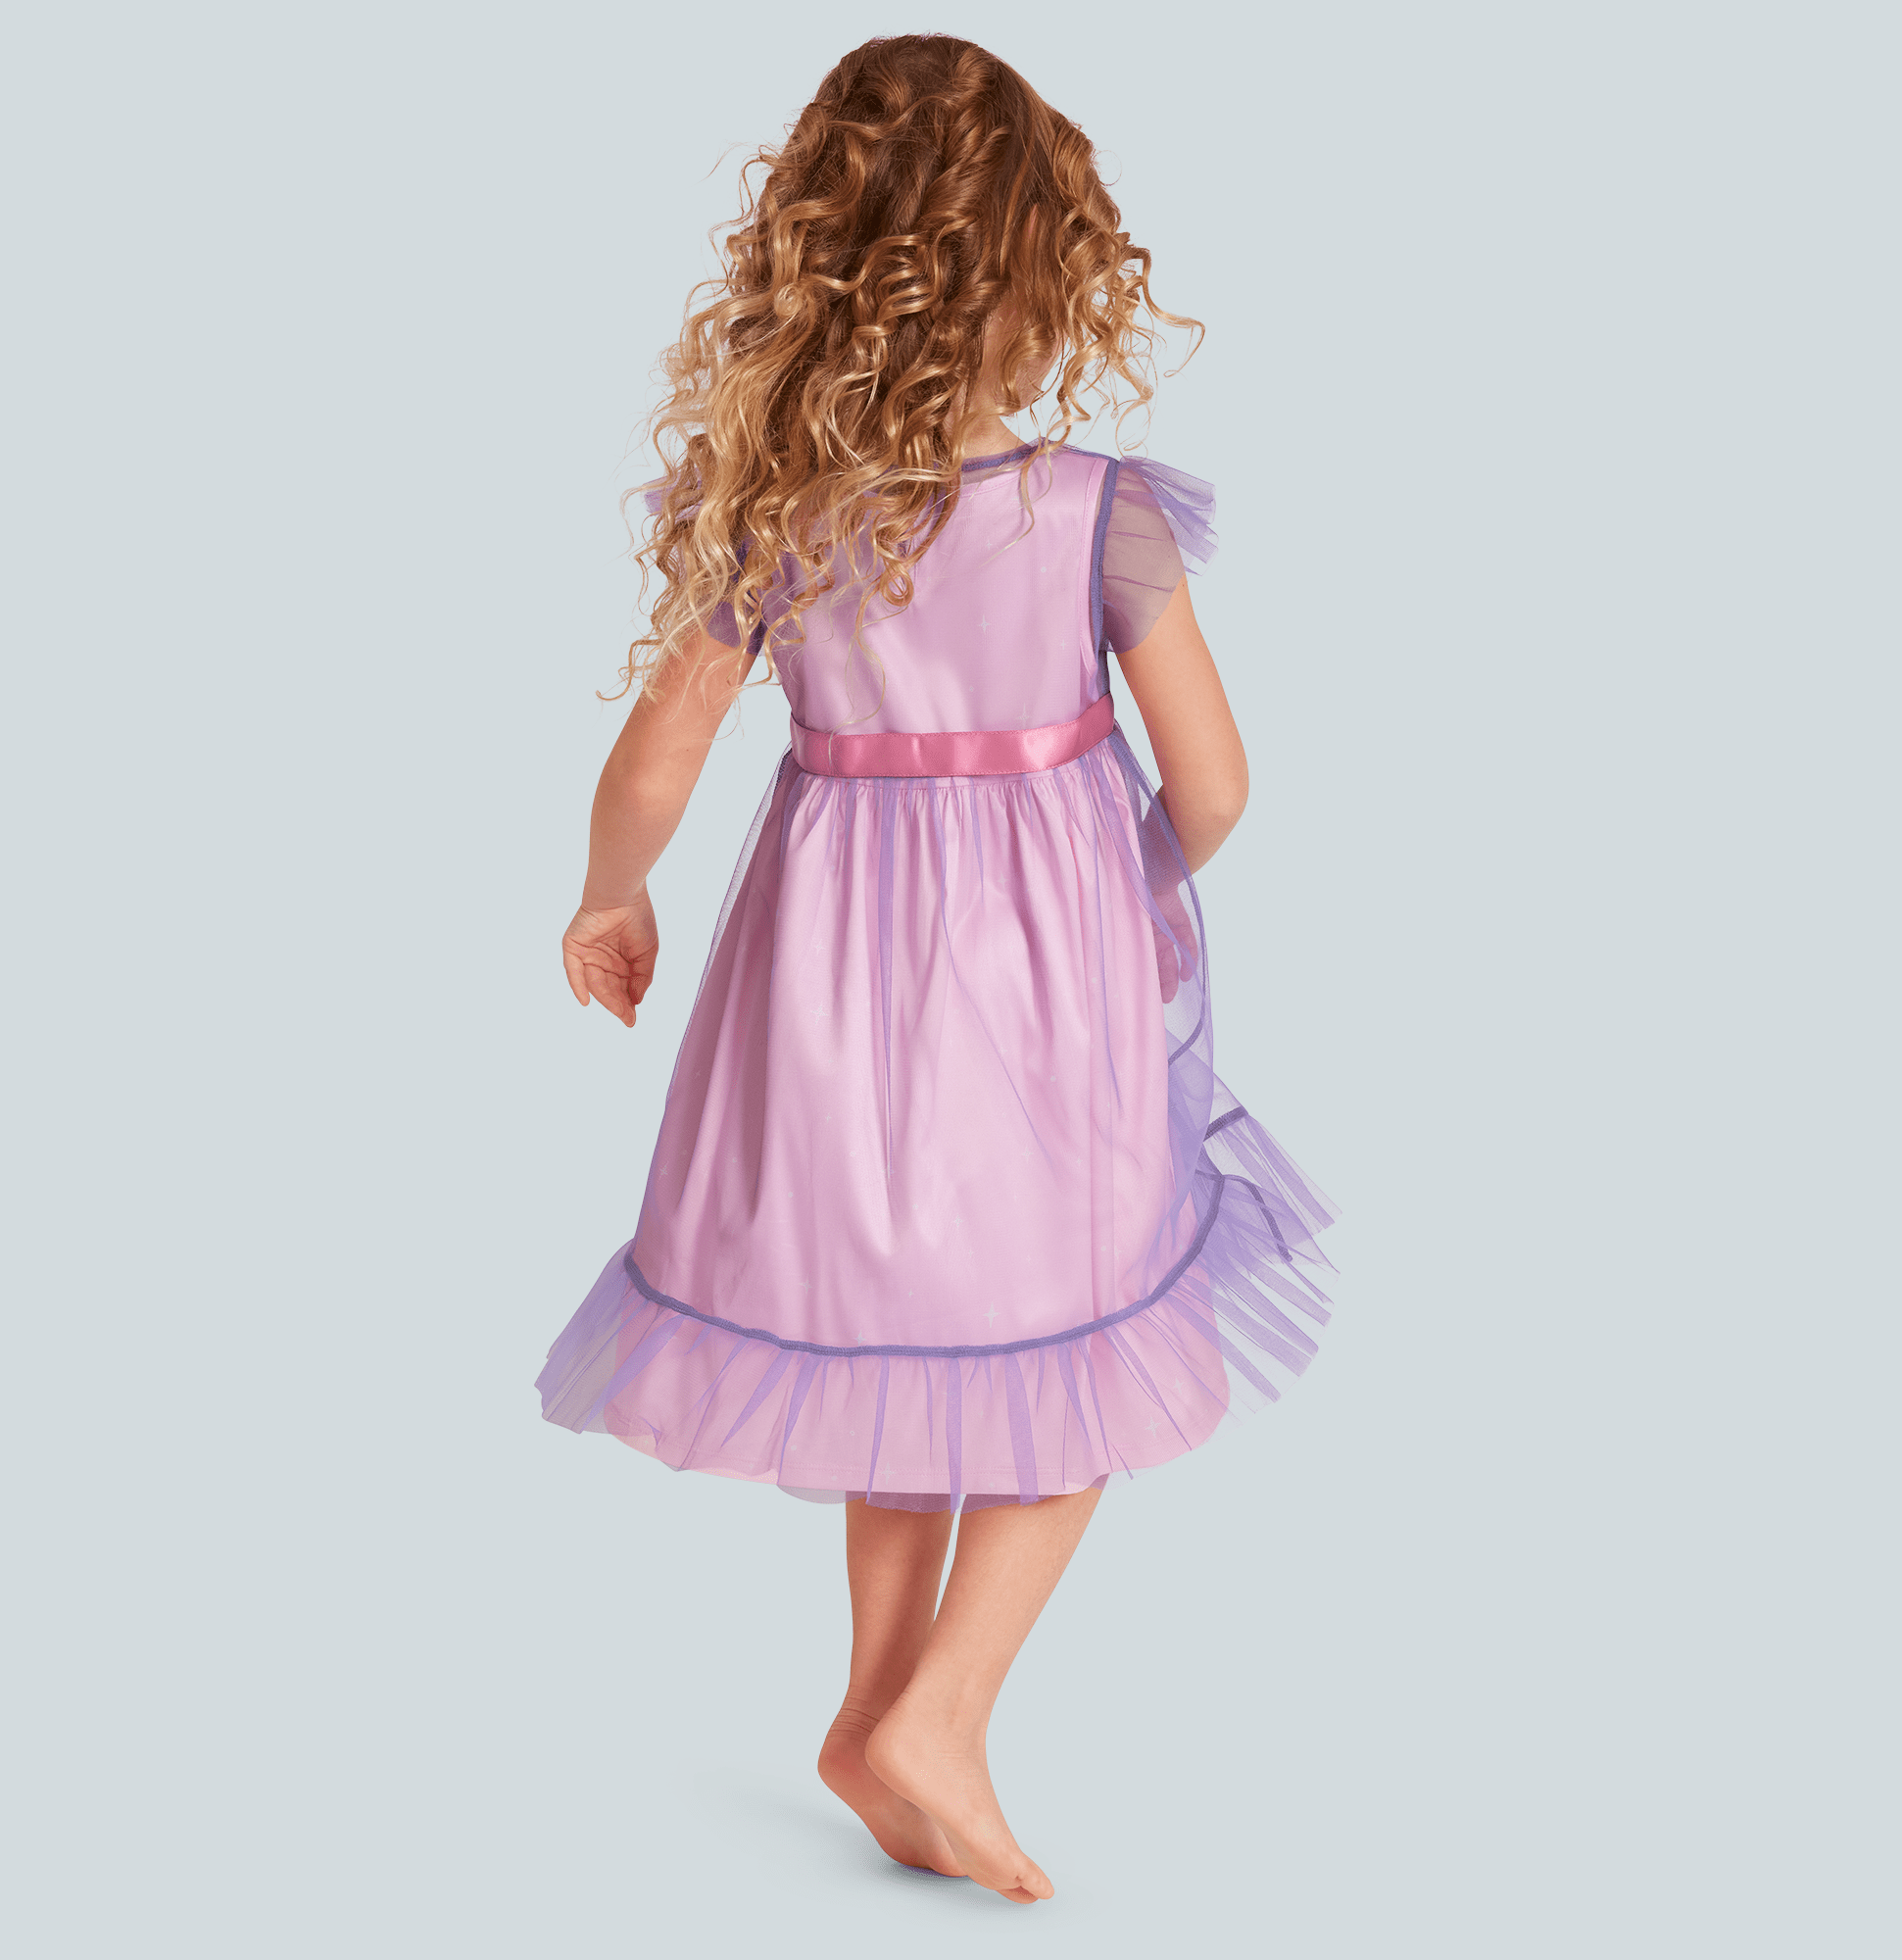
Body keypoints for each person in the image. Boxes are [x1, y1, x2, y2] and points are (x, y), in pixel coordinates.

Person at [536, 34, 1336, 1904]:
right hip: (1041, 982)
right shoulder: (1095, 508)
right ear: (1049, 262)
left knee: (908, 1337)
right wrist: (1133, 882)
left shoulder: (774, 501)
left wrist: (608, 900)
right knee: (1090, 1331)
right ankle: (942, 1716)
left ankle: (869, 1710)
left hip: (825, 979)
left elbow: (657, 760)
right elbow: (1220, 781)